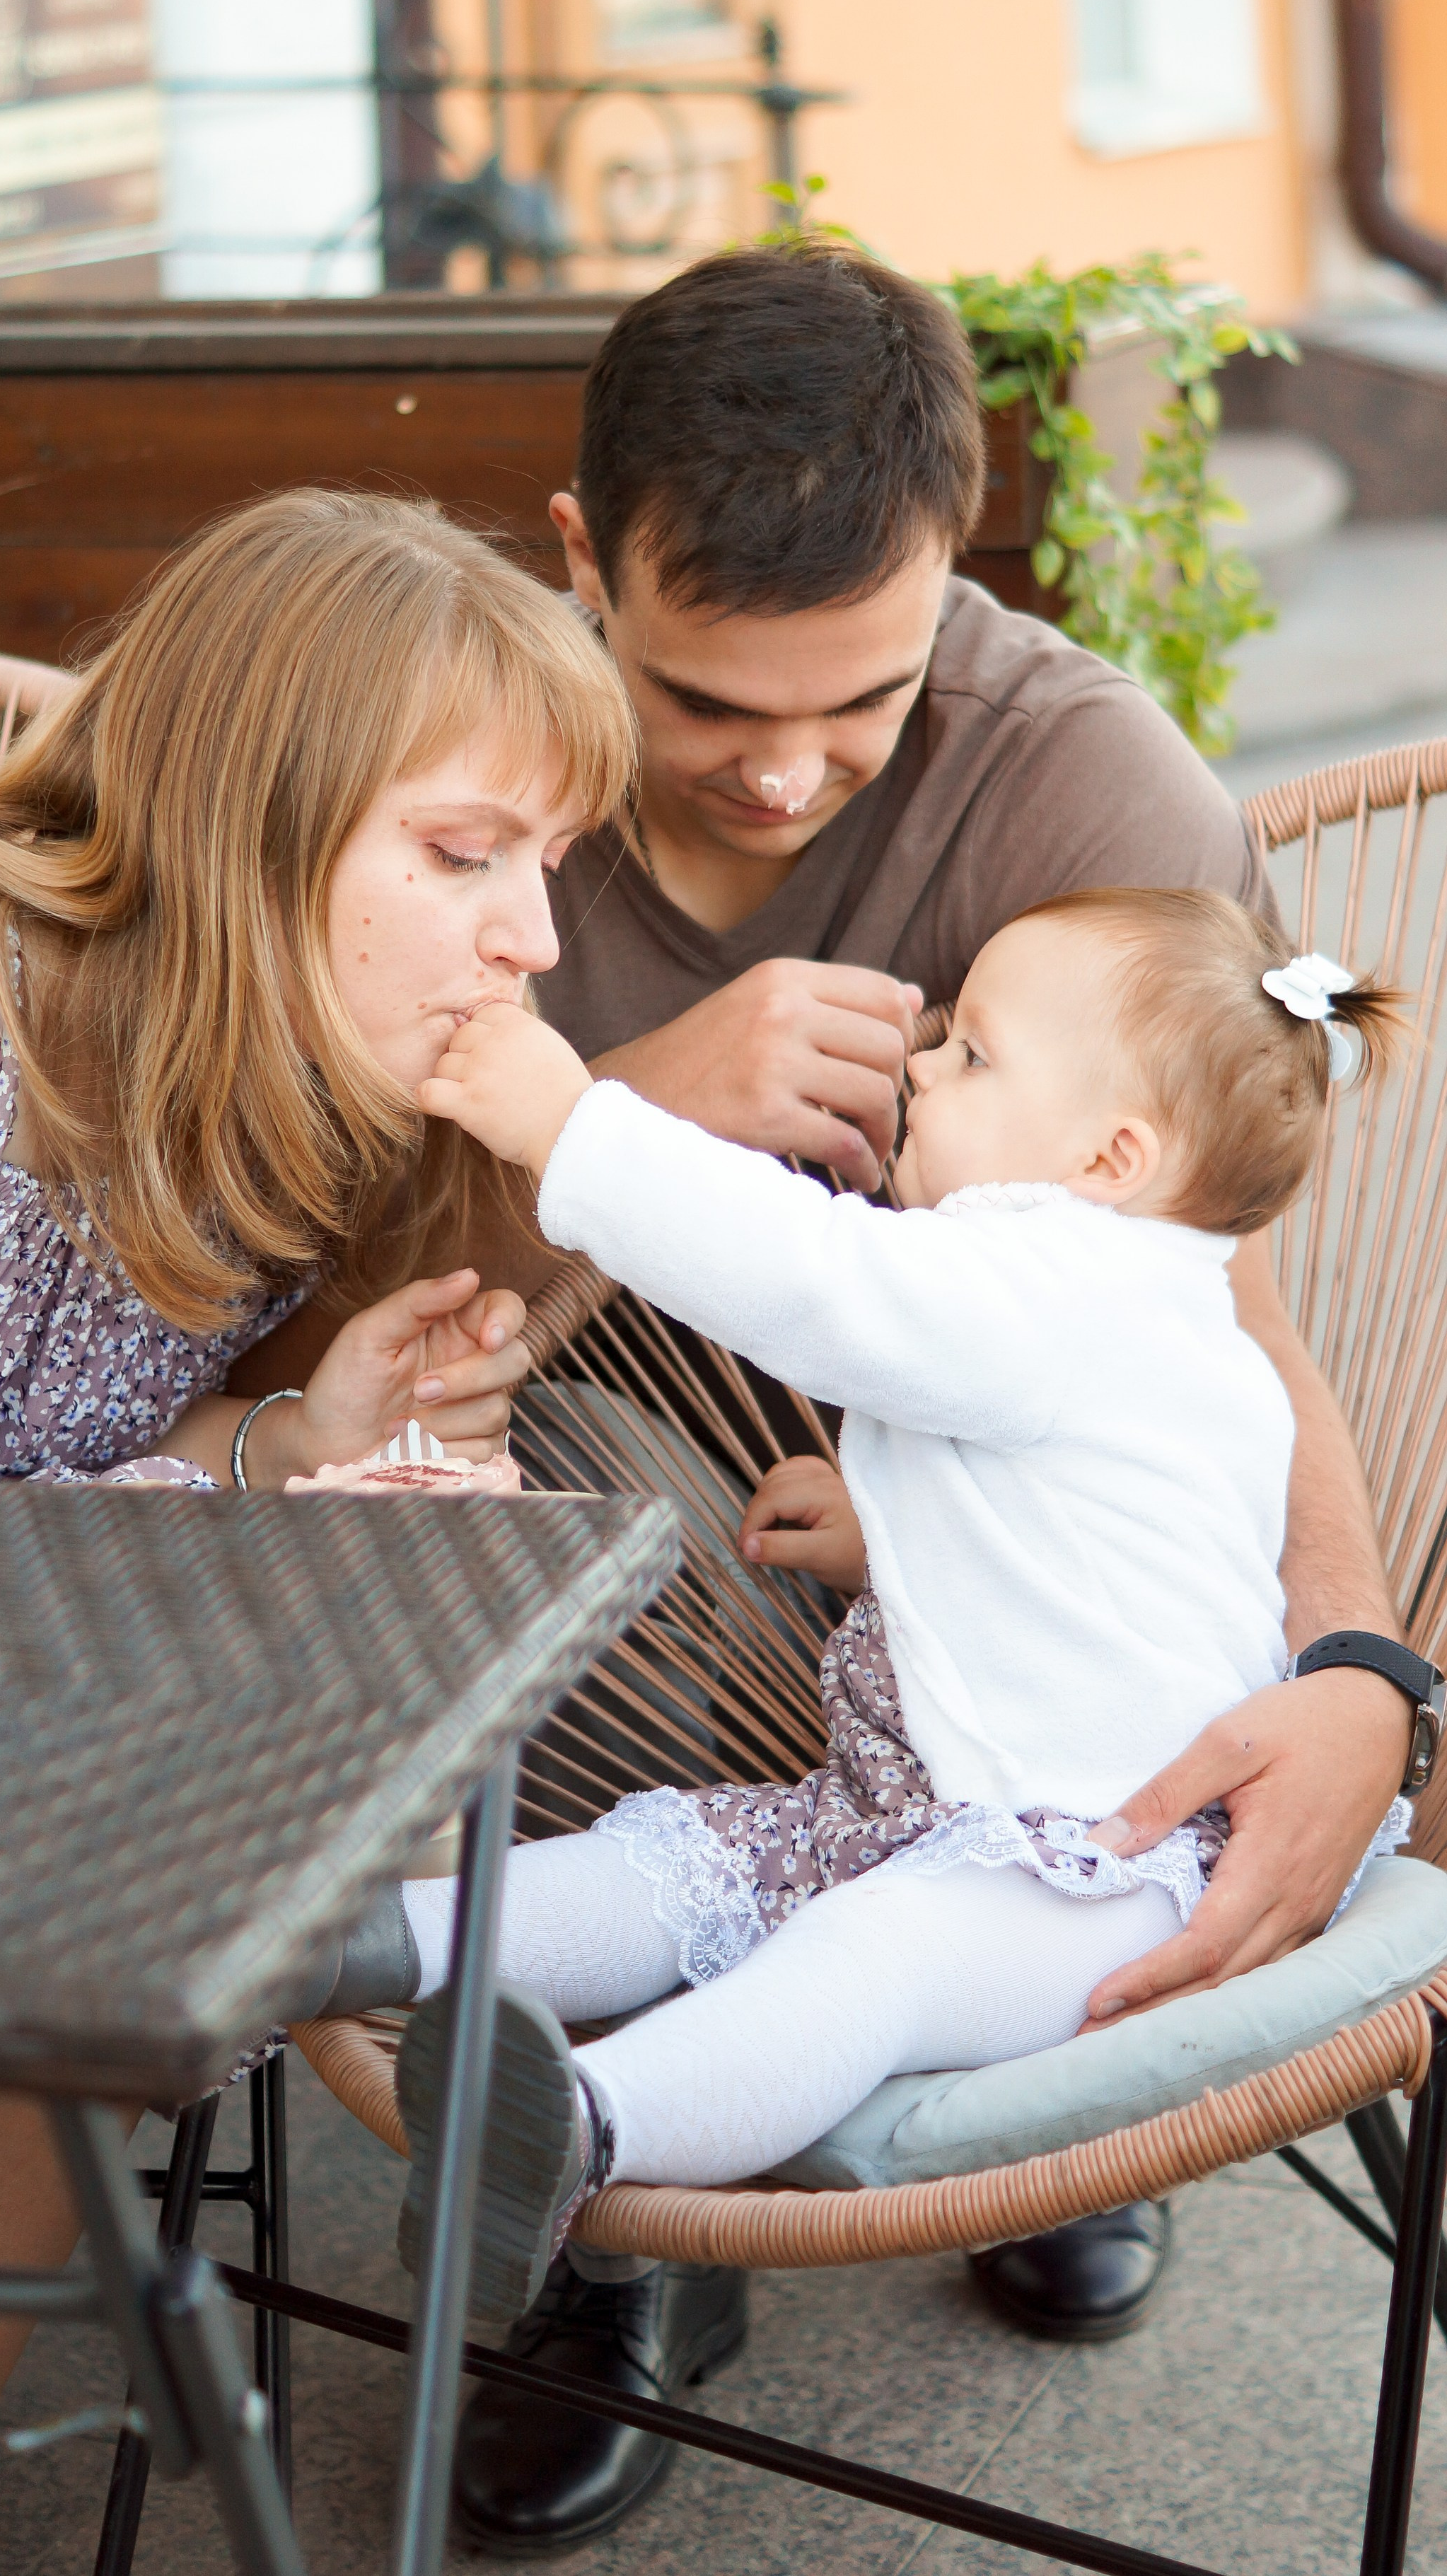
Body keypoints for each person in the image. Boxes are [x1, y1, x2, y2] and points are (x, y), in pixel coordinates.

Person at [244, 246, 1418, 2551]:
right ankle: (598, 2169)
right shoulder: (455, 766)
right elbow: (327, 1333)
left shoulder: (1082, 786)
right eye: (698, 699)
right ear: (581, 561)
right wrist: (631, 1113)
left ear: (951, 573)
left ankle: (931, 2054)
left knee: (876, 1891)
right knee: (608, 1613)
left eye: (860, 698)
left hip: (996, 1618)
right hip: (609, 1477)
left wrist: (1363, 1672)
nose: (783, 768)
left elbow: (1223, 1332)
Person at [0, 488, 635, 2576]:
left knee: (139, 1887)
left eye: (547, 865)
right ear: (241, 821)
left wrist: (288, 1437)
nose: (535, 940)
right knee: (89, 1889)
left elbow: (13, 1521)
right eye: (465, 856)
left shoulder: (272, 1094)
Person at [378, 888, 1409, 2316]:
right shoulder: (1145, 1306)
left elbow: (815, 1277)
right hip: (921, 1809)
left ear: (1111, 1156)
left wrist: (575, 1127)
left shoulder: (1058, 1274)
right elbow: (1110, 1559)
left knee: (868, 1958)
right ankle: (381, 1933)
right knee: (679, 1859)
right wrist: (898, 1538)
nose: (924, 1062)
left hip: (1096, 1874)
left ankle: (576, 2123)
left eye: (973, 1055)